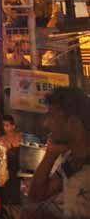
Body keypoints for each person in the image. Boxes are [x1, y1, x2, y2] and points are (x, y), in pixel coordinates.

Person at [25, 87, 90, 219]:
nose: (46, 124)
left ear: (73, 123)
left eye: (52, 116)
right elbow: (37, 195)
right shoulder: (72, 161)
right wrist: (50, 154)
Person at [0, 114, 23, 217]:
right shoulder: (1, 139)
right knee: (5, 196)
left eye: (7, 125)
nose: (6, 128)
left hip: (17, 170)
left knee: (16, 197)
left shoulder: (19, 136)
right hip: (5, 170)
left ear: (13, 126)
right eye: (4, 125)